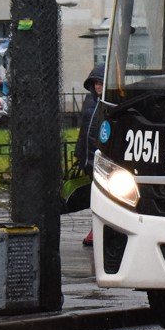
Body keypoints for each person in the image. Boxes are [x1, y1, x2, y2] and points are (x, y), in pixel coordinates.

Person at [76, 64, 104, 247]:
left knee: (101, 198)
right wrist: (80, 154)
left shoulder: (109, 102)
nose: (98, 87)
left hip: (102, 160)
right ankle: (96, 229)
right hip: (88, 159)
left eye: (101, 83)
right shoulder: (89, 101)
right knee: (94, 197)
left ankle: (99, 230)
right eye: (95, 83)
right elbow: (84, 131)